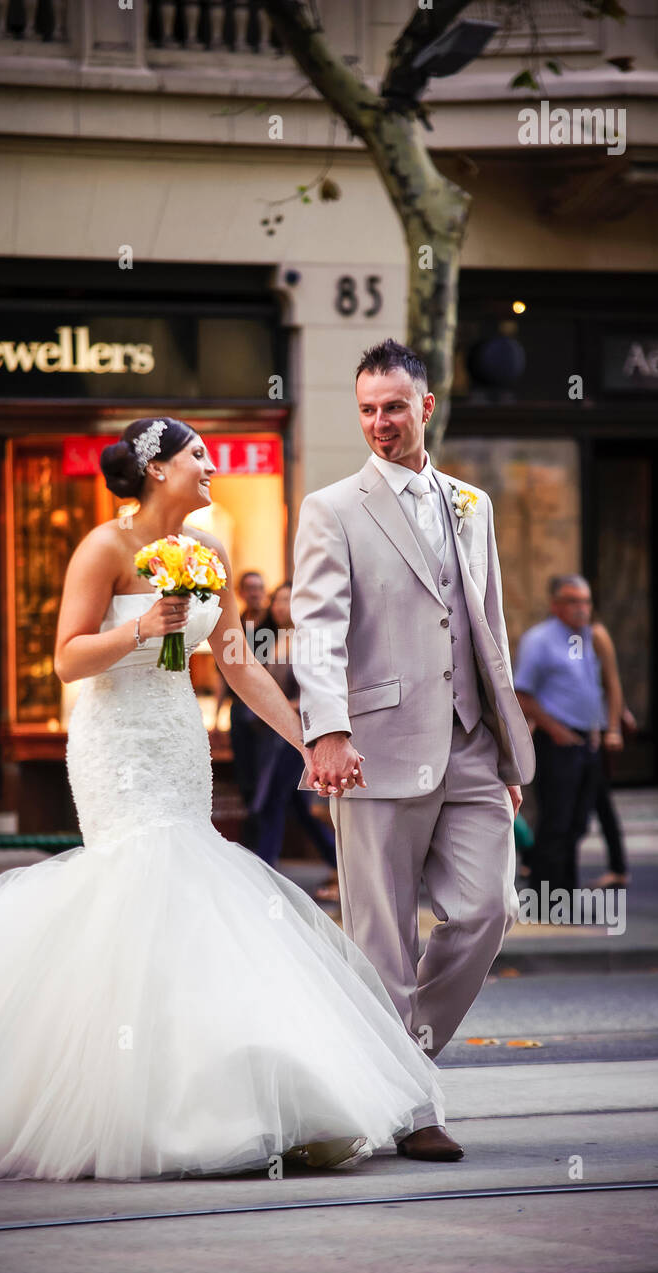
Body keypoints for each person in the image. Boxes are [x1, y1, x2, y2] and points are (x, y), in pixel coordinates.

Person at [0, 416, 448, 1182]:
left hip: (174, 736)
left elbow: (237, 664)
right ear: (158, 469)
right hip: (114, 742)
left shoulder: (210, 554)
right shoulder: (103, 547)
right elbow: (65, 659)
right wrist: (142, 632)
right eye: (199, 458)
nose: (211, 470)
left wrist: (311, 740)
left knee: (191, 886)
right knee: (141, 881)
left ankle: (233, 1099)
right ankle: (128, 1105)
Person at [291, 339, 535, 1162]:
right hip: (374, 747)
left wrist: (506, 753)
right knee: (381, 939)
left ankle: (393, 1065)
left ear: (424, 407)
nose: (378, 423)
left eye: (393, 407)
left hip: (469, 745)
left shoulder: (471, 503)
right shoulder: (331, 508)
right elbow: (317, 629)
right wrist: (326, 729)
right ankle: (408, 1108)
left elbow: (487, 625)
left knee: (486, 910)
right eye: (365, 409)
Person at [514, 575, 605, 916]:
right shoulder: (539, 640)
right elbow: (522, 693)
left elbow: (591, 688)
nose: (582, 608)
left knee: (578, 823)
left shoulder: (587, 638)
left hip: (586, 742)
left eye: (586, 601)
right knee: (556, 822)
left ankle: (566, 896)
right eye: (573, 601)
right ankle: (545, 900)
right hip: (556, 743)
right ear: (555, 604)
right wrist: (555, 729)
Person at [250, 582, 339, 879]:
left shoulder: (305, 641)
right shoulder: (275, 640)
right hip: (273, 735)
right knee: (295, 807)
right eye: (275, 600)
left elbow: (314, 690)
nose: (279, 606)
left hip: (297, 733)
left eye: (286, 600)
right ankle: (337, 865)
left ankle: (265, 869)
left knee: (272, 802)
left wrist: (282, 705)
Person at [213, 569, 270, 844]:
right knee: (245, 778)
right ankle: (252, 841)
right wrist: (216, 716)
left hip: (267, 712)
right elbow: (225, 674)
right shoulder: (235, 625)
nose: (255, 593)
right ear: (241, 592)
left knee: (265, 781)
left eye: (259, 587)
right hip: (240, 710)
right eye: (250, 588)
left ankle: (261, 843)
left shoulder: (275, 624)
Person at [590, 620, 633, 889]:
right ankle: (618, 867)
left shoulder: (595, 633)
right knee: (599, 803)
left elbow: (612, 683)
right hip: (585, 730)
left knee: (600, 800)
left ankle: (618, 868)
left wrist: (614, 728)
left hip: (597, 731)